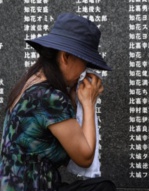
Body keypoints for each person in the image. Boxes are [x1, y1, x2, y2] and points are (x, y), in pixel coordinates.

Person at [0, 13, 116, 191]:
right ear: (65, 57)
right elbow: (84, 157)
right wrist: (88, 103)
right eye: (84, 62)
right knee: (104, 188)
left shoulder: (31, 83)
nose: (84, 70)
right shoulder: (49, 97)